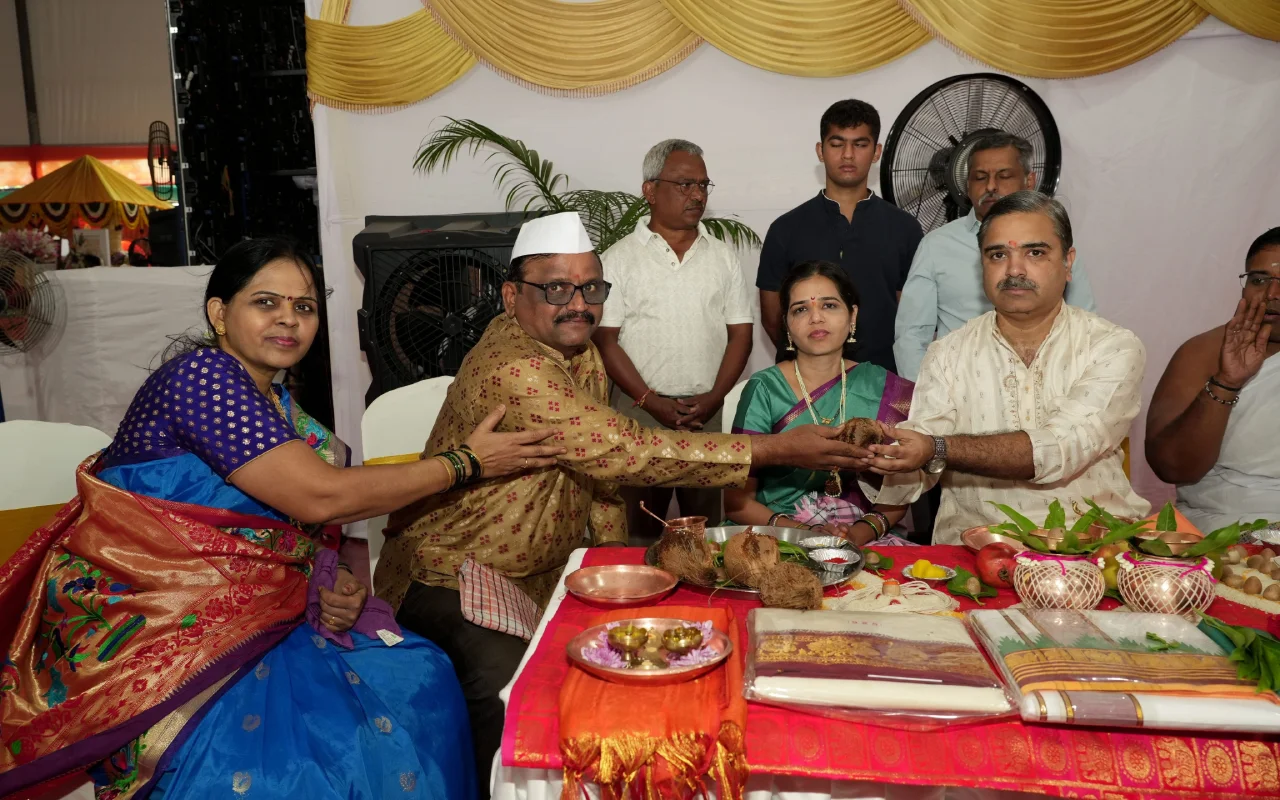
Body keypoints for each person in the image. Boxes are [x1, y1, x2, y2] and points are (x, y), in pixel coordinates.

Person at [0, 237, 565, 800]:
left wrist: (332, 581)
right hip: (159, 632)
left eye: (304, 306)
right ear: (220, 313)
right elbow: (320, 498)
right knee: (305, 760)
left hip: (262, 615)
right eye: (266, 302)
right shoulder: (201, 379)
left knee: (420, 675)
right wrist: (465, 463)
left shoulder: (276, 405)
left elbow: (289, 532)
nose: (288, 320)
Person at [375, 212, 876, 794]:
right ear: (512, 297)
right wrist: (776, 449)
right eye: (556, 288)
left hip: (543, 570)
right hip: (456, 573)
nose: (578, 305)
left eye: (592, 288)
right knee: (519, 699)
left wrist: (612, 562)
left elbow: (600, 477)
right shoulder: (518, 367)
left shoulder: (577, 349)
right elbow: (623, 450)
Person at [855, 191, 1150, 542]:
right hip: (973, 552)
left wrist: (936, 448)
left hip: (1094, 552)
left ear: (1068, 262)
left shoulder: (1111, 346)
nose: (1014, 270)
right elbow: (920, 463)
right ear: (982, 264)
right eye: (998, 255)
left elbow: (1060, 449)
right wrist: (879, 455)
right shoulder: (947, 353)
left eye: (1035, 252)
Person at [595, 139, 754, 540]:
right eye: (685, 185)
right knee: (639, 534)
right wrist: (652, 402)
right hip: (638, 413)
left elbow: (741, 334)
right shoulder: (618, 258)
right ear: (650, 190)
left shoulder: (723, 257)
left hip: (706, 411)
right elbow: (607, 341)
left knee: (705, 537)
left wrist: (715, 397)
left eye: (703, 185)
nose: (697, 194)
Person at [725, 260, 914, 545]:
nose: (816, 318)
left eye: (829, 305)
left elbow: (900, 493)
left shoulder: (884, 387)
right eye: (801, 309)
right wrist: (805, 534)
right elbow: (737, 502)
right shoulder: (764, 388)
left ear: (852, 316)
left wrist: (856, 534)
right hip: (778, 535)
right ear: (787, 325)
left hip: (865, 534)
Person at [894, 131, 1097, 382]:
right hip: (960, 392)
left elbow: (1083, 322)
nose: (990, 186)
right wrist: (926, 399)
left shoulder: (1052, 241)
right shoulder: (936, 245)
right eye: (980, 177)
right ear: (967, 186)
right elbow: (912, 335)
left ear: (1029, 180)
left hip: (1046, 386)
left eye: (1004, 176)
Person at [756, 99, 923, 373]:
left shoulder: (905, 228)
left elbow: (911, 317)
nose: (848, 155)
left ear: (876, 151)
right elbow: (773, 317)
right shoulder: (785, 228)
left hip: (882, 379)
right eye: (837, 144)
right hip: (802, 385)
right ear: (820, 151)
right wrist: (812, 359)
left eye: (860, 144)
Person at [1147, 227, 1280, 531]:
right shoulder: (1204, 353)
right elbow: (1172, 466)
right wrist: (1226, 381)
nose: (1272, 294)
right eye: (1259, 280)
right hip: (1219, 531)